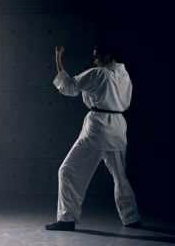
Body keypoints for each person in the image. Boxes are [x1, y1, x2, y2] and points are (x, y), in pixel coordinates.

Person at [45, 44, 141, 231]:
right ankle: (132, 217)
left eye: (96, 57)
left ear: (108, 57)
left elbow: (69, 87)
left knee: (67, 171)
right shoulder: (125, 76)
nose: (94, 61)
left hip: (98, 127)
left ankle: (67, 218)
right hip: (119, 126)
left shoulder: (99, 74)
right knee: (120, 177)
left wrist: (58, 59)